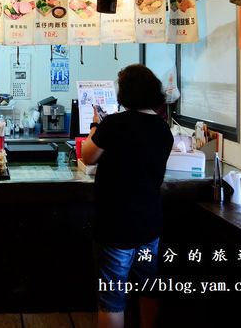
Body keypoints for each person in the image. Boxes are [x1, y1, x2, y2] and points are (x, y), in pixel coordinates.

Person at [81, 64, 173, 328]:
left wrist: (95, 129)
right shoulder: (162, 129)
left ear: (125, 94)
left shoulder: (114, 124)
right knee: (148, 286)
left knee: (112, 296)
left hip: (115, 226)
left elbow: (88, 156)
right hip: (149, 226)